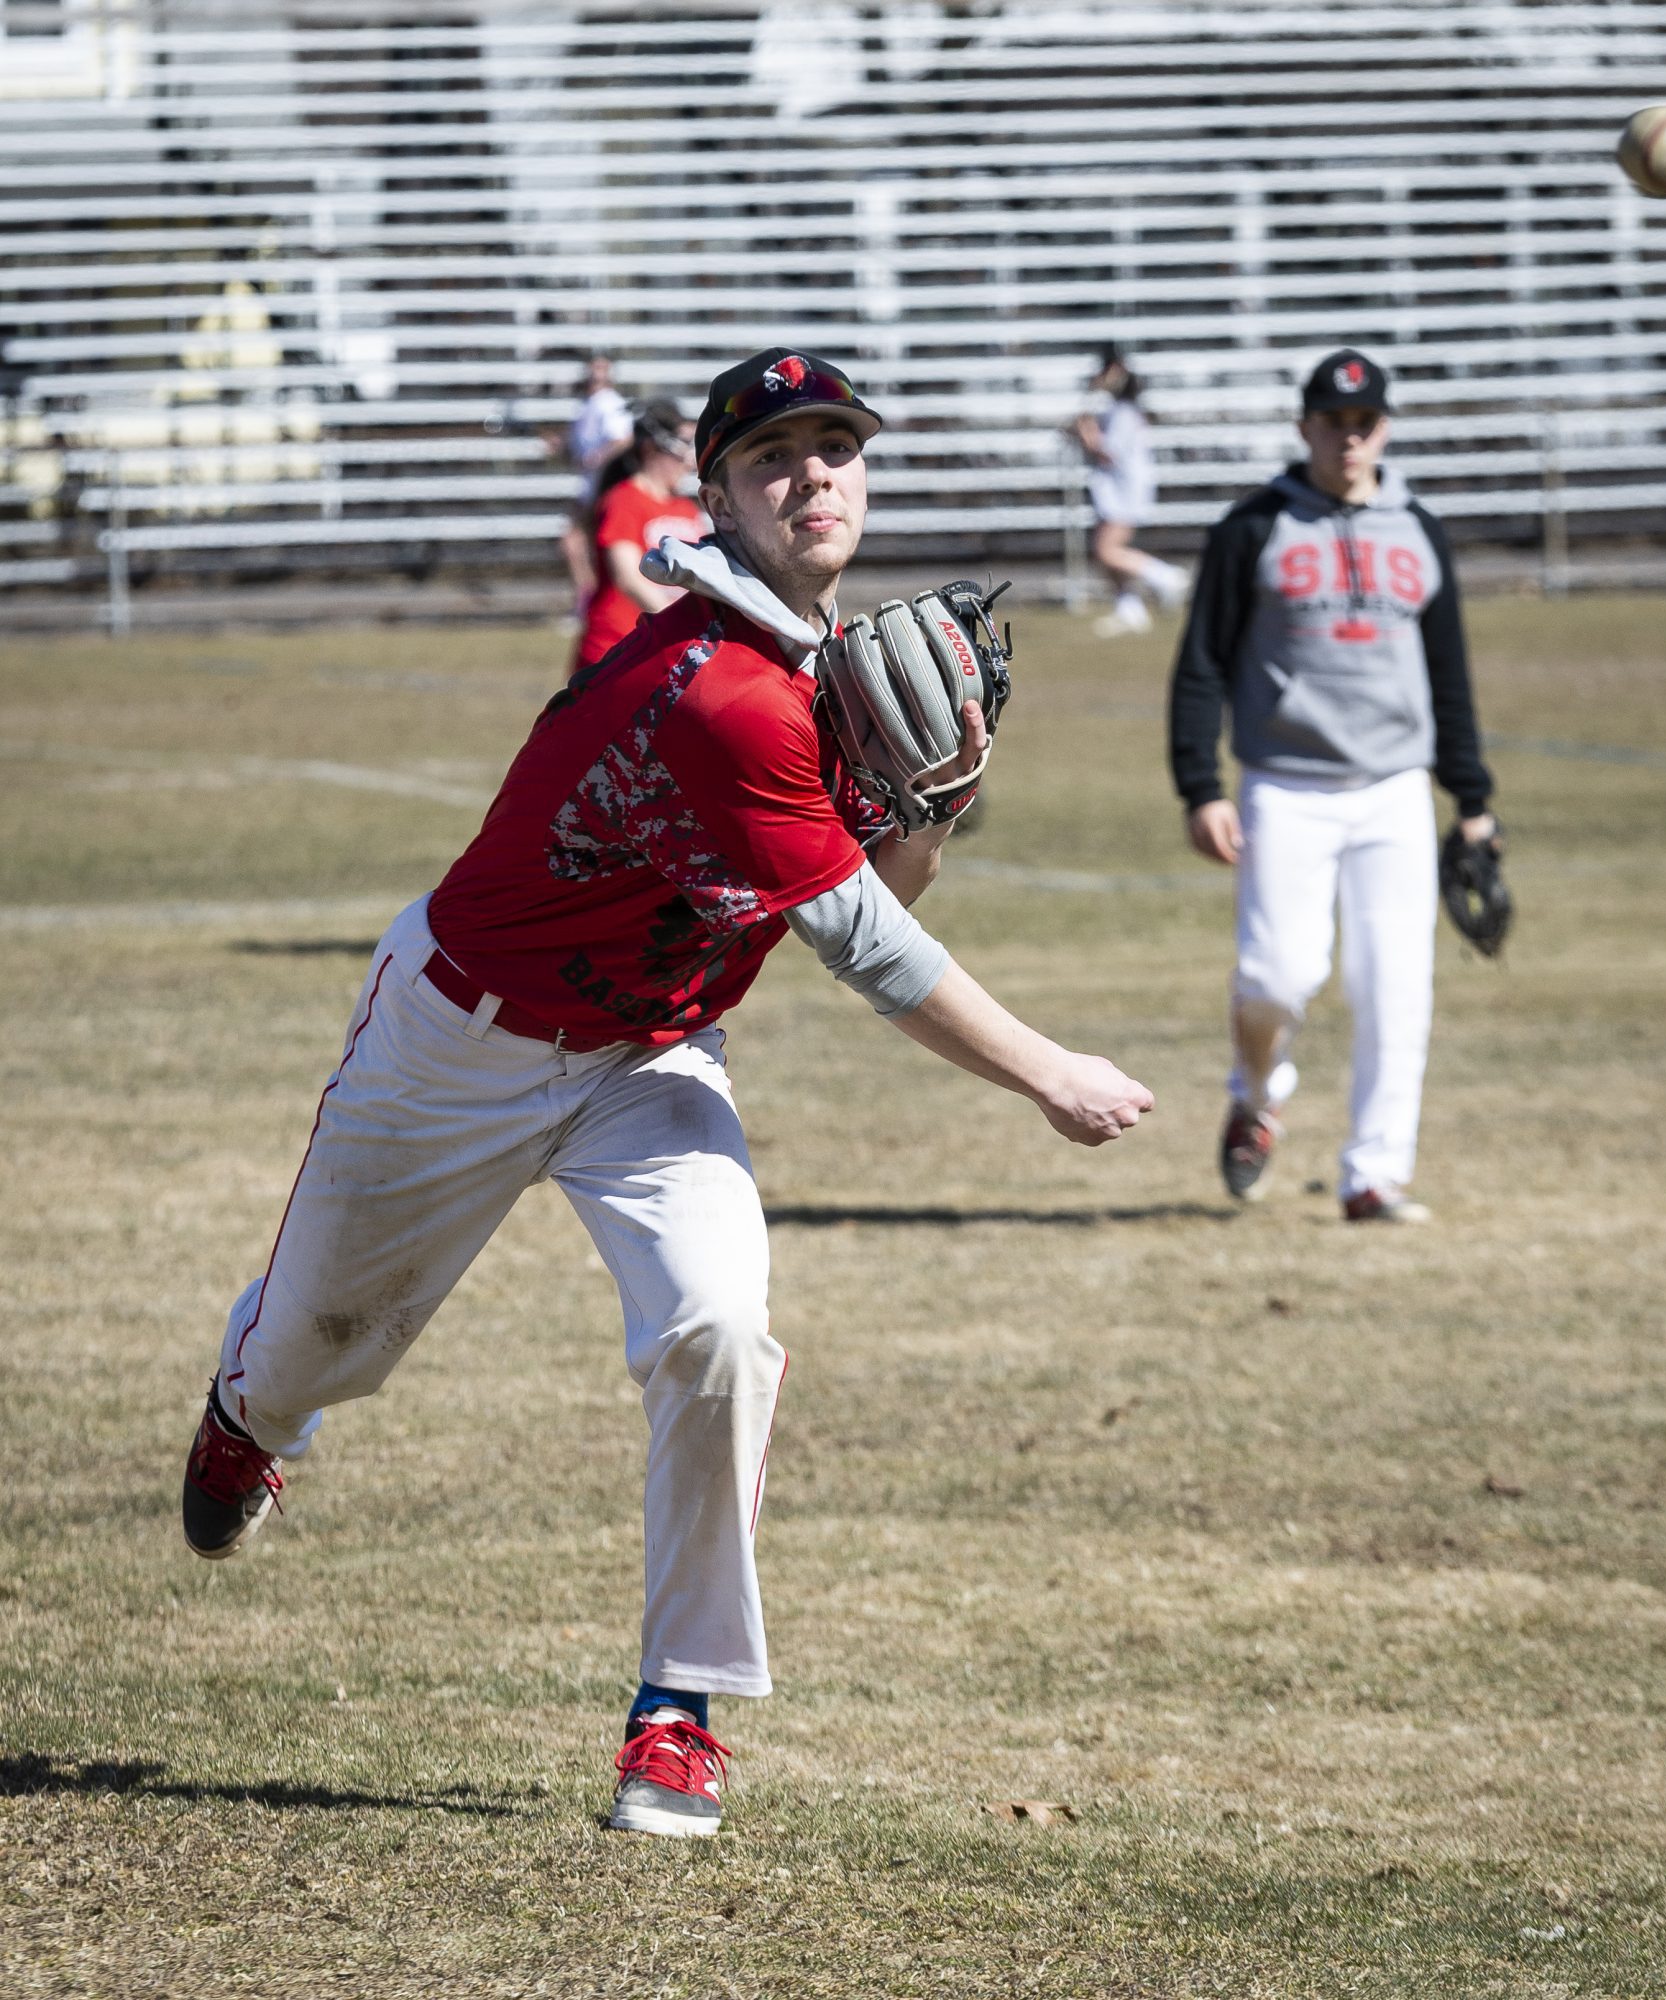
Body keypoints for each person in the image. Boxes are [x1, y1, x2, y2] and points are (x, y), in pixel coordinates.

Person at [181, 345, 1154, 1840]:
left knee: (716, 1329)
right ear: (712, 496)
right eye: (773, 457)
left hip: (650, 1058)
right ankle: (253, 1410)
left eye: (836, 446)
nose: (812, 474)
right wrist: (1047, 1074)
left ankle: (676, 1713)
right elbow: (867, 949)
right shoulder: (723, 691)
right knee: (320, 1348)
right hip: (458, 1041)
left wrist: (932, 810)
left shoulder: (817, 674)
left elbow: (876, 880)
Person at [1169, 347, 1498, 1224]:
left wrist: (1472, 802)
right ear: (1304, 426)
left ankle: (1374, 1176)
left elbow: (1449, 676)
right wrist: (1201, 784)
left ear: (1381, 428)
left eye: (1363, 423)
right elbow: (1202, 664)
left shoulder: (1417, 529)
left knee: (1397, 988)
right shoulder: (1254, 528)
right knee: (1278, 975)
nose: (1348, 439)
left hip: (1395, 786)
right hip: (1286, 784)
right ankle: (1258, 1088)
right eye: (1332, 422)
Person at [567, 398, 706, 678]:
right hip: (615, 649)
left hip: (664, 651)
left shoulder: (686, 509)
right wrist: (684, 625)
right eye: (681, 449)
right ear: (651, 449)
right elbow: (627, 576)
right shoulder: (623, 500)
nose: (689, 462)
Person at [1069, 346, 1189, 638]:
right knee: (1104, 553)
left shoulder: (1124, 412)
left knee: (1107, 551)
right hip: (1113, 489)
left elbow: (1108, 452)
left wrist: (1085, 432)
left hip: (1124, 490)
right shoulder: (1116, 410)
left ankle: (1166, 576)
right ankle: (1129, 608)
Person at [557, 354, 634, 614]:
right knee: (578, 545)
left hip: (604, 487)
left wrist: (597, 457)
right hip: (590, 486)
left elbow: (622, 439)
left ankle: (590, 603)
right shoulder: (586, 405)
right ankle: (588, 601)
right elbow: (577, 450)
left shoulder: (609, 403)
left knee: (578, 543)